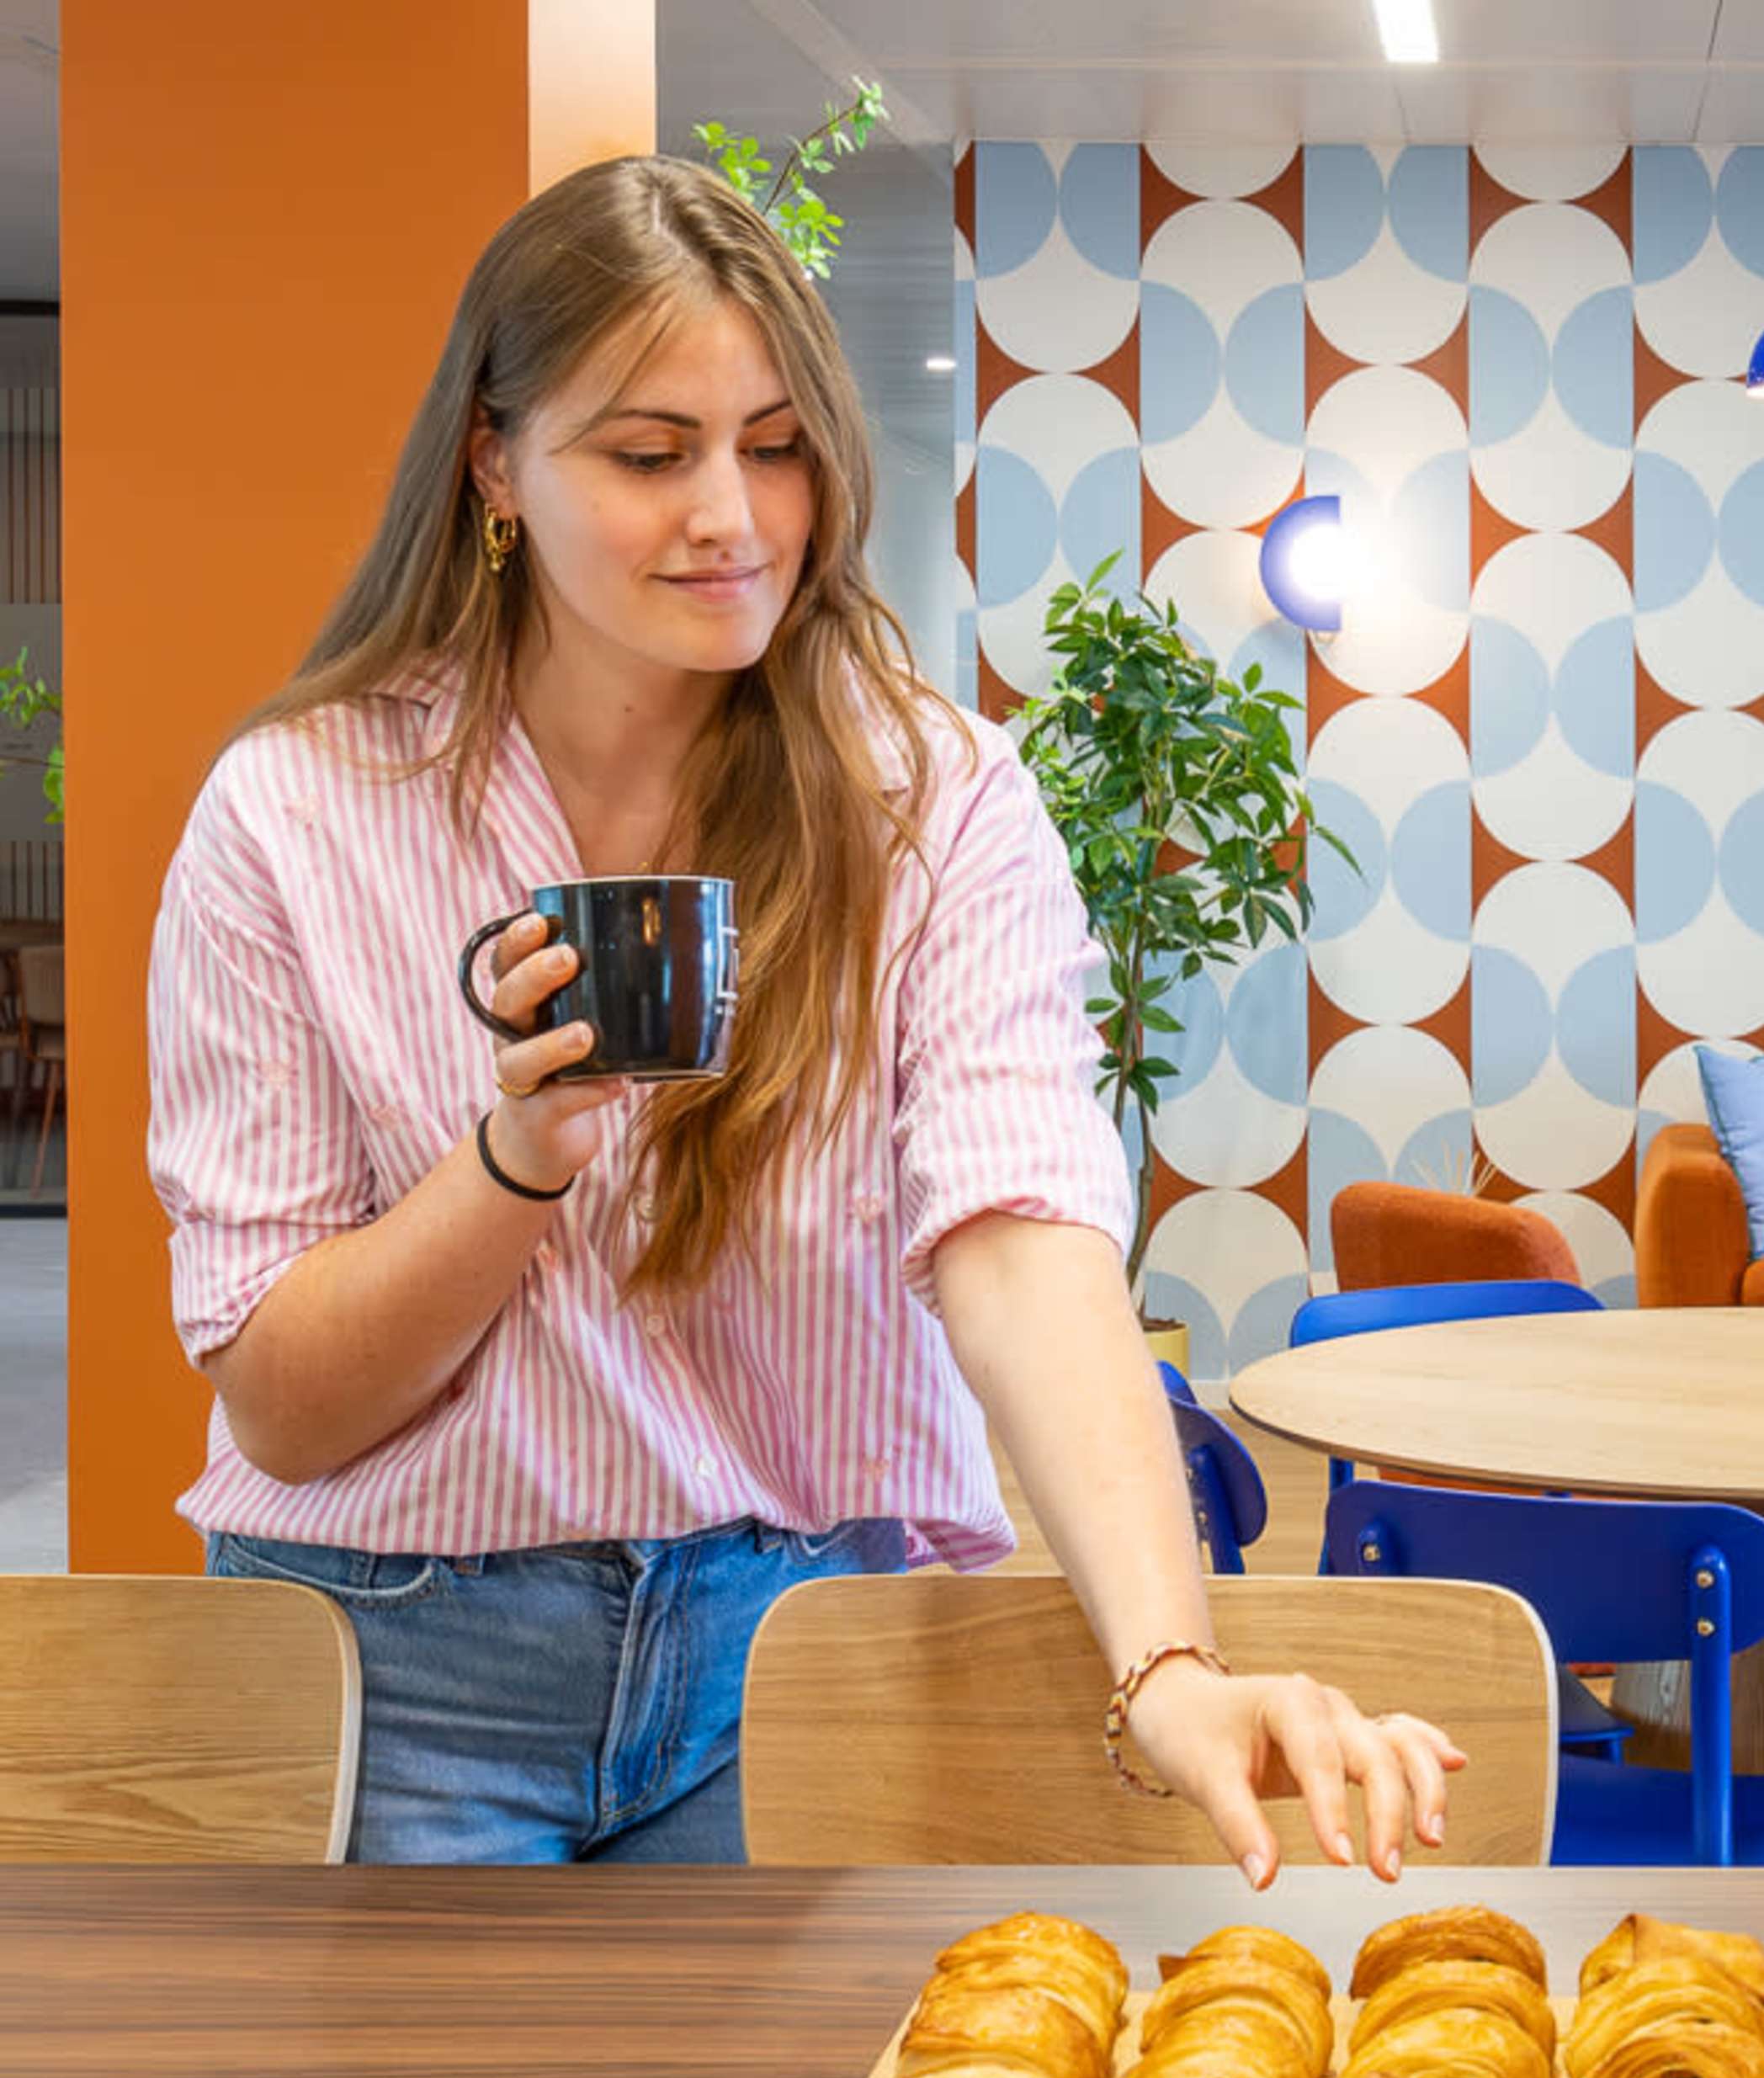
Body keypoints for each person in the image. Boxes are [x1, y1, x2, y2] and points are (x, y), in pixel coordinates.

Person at [146, 157, 1459, 1873]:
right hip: (398, 1671)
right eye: (649, 452)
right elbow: (284, 1410)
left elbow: (1021, 1243)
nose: (735, 514)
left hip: (811, 1650)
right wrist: (516, 1161)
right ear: (496, 466)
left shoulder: (933, 797)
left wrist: (1166, 1665)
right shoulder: (295, 816)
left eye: (776, 444)